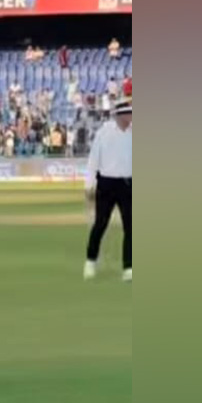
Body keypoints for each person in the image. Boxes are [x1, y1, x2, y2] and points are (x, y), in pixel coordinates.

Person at [84, 97, 133, 281]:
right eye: (129, 113)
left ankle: (128, 267)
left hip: (127, 184)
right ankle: (90, 261)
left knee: (130, 227)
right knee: (100, 224)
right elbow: (93, 160)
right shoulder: (103, 133)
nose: (131, 116)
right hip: (106, 184)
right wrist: (89, 186)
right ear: (120, 115)